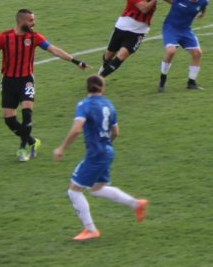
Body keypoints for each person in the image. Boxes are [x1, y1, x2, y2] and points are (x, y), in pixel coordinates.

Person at [0, 9, 88, 162]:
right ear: (21, 22)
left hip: (26, 80)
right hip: (8, 81)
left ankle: (22, 149)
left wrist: (76, 61)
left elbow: (54, 50)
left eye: (33, 20)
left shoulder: (34, 37)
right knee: (9, 120)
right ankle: (32, 141)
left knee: (27, 114)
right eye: (30, 20)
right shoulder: (4, 37)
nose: (33, 23)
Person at [53, 75, 148, 241]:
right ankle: (136, 204)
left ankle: (90, 230)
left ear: (87, 88)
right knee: (97, 189)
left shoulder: (84, 105)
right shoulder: (109, 104)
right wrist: (105, 144)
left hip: (95, 154)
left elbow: (76, 130)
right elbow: (116, 132)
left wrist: (62, 148)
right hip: (107, 151)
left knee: (73, 190)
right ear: (102, 88)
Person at [99, 0, 163, 78]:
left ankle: (99, 79)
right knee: (109, 55)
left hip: (139, 31)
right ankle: (104, 68)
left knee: (121, 56)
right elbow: (144, 8)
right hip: (123, 25)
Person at [156, 0, 210, 91]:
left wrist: (201, 14)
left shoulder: (203, 1)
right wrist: (154, 1)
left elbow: (203, 7)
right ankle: (162, 80)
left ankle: (191, 83)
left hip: (185, 30)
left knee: (197, 53)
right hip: (171, 28)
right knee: (171, 51)